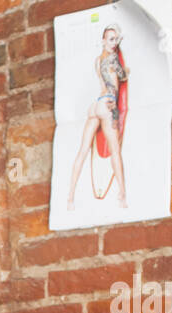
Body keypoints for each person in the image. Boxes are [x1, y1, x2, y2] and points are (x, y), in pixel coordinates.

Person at [66, 24, 130, 210]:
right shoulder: (112, 59)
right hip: (107, 103)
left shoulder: (97, 60)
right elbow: (122, 78)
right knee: (115, 152)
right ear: (103, 41)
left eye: (116, 39)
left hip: (95, 104)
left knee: (83, 150)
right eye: (111, 39)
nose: (114, 43)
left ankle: (70, 197)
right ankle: (122, 196)